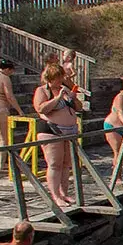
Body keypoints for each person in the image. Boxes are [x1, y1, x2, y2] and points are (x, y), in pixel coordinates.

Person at [32, 64, 81, 208]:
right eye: (57, 77)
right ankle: (55, 196)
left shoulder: (64, 89)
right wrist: (57, 98)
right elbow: (41, 108)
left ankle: (64, 193)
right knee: (55, 164)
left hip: (70, 130)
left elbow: (79, 107)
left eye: (61, 77)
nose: (60, 80)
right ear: (49, 78)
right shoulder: (42, 91)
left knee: (66, 164)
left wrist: (72, 98)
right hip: (51, 130)